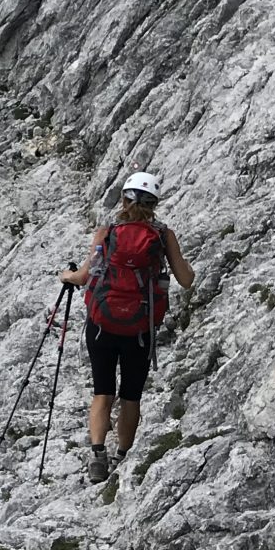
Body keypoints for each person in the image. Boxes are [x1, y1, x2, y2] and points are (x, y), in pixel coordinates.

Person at [60, 171, 194, 483]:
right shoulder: (162, 235)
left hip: (102, 325)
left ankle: (97, 457)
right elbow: (186, 281)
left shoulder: (107, 232)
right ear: (154, 203)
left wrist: (64, 277)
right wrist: (187, 269)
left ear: (124, 198)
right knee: (131, 395)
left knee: (102, 392)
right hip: (140, 329)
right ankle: (122, 457)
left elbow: (83, 276)